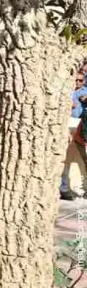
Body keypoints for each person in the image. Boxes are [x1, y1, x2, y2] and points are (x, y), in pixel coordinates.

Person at [61, 71, 87, 199]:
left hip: (80, 126)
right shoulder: (65, 90)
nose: (77, 82)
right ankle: (64, 187)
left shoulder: (85, 92)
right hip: (66, 124)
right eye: (75, 80)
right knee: (65, 158)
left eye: (80, 80)